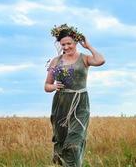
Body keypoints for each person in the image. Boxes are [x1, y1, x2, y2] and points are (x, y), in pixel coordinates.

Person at [44, 24, 105, 167]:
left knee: (74, 143)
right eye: (63, 44)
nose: (66, 47)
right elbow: (47, 86)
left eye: (69, 43)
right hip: (61, 104)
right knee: (62, 140)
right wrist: (54, 86)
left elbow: (101, 60)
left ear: (75, 42)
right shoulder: (55, 61)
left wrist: (88, 46)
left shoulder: (84, 59)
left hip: (80, 104)